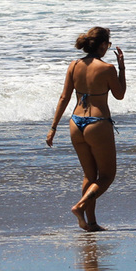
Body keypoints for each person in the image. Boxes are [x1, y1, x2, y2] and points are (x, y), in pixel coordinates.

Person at [47, 27, 126, 232]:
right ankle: (80, 206)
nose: (107, 48)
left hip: (75, 123)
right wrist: (121, 69)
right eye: (107, 45)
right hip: (97, 123)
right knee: (107, 176)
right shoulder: (107, 68)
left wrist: (53, 128)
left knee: (89, 176)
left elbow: (64, 97)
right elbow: (119, 95)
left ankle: (90, 223)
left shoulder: (74, 65)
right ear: (102, 45)